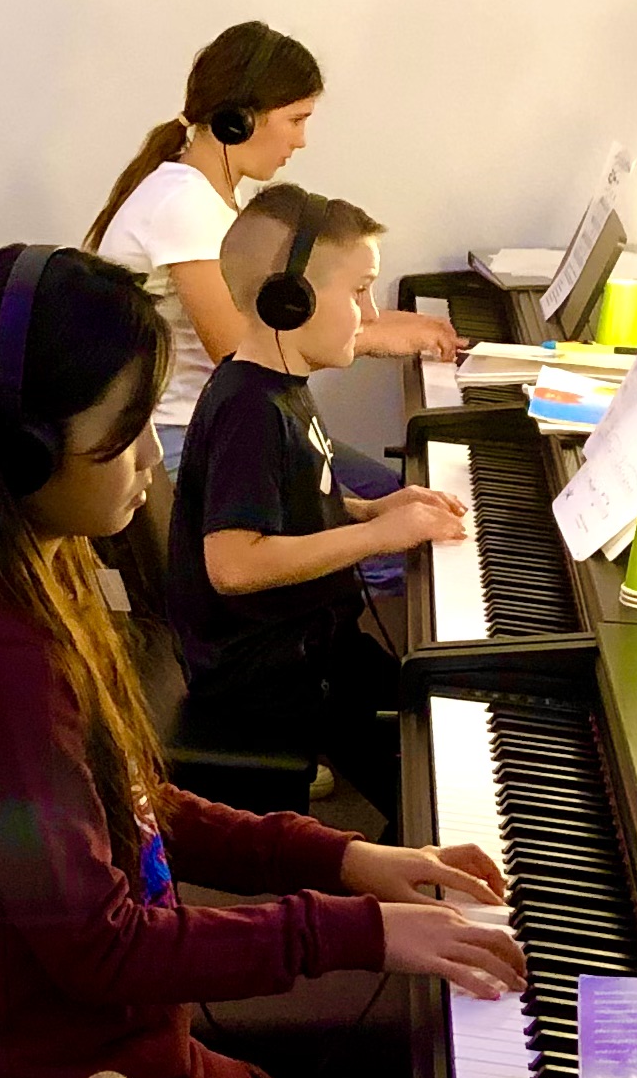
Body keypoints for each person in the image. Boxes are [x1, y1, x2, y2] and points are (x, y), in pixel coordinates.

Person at [0, 245, 524, 1078]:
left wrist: (347, 854)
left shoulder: (40, 565)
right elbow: (102, 944)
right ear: (25, 450)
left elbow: (134, 803)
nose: (146, 464)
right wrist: (358, 930)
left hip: (101, 1053)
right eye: (119, 440)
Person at [166, 187, 473, 822]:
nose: (369, 313)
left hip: (312, 648)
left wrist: (372, 511)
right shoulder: (251, 409)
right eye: (358, 291)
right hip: (275, 677)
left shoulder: (278, 386)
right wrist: (380, 539)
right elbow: (234, 564)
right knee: (436, 786)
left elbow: (294, 504)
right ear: (291, 300)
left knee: (442, 706)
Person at [87, 21, 465, 477]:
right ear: (239, 120)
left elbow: (264, 319)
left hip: (209, 425)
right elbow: (238, 355)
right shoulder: (184, 204)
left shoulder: (210, 195)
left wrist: (392, 323)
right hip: (176, 440)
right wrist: (372, 338)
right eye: (296, 120)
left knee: (390, 493)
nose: (301, 140)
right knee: (389, 507)